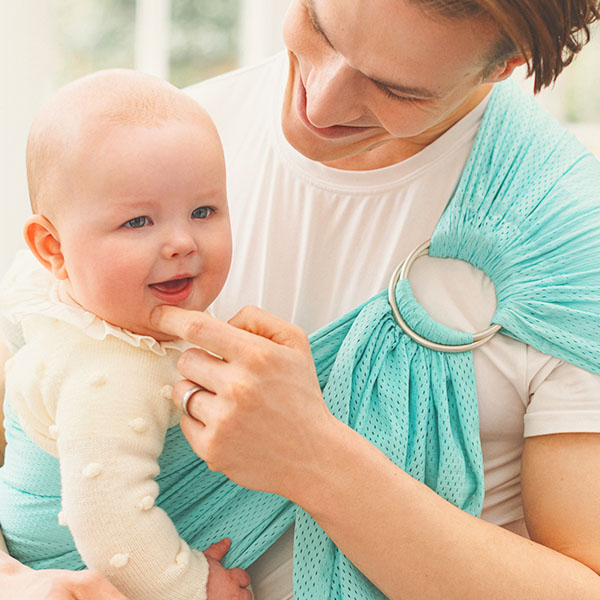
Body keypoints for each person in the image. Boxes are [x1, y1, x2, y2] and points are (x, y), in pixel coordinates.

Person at [1, 0, 600, 598]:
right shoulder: (148, 146)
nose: (320, 100)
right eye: (317, 24)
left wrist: (314, 458)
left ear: (505, 66)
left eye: (396, 89)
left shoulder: (564, 239)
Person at [0, 69, 254, 600]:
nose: (182, 242)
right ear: (53, 248)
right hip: (80, 573)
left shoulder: (79, 299)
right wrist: (193, 585)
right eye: (138, 222)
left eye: (203, 211)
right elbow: (109, 523)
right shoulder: (109, 370)